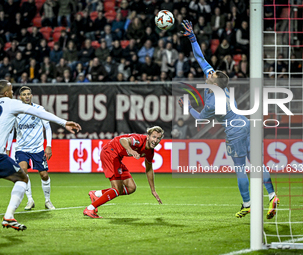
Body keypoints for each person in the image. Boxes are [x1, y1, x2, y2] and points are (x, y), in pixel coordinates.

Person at [179, 20, 280, 219]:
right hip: (246, 122)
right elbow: (201, 58)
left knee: (240, 168)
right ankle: (272, 196)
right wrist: (193, 38)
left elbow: (200, 118)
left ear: (214, 82)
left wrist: (188, 108)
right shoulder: (218, 85)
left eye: (213, 74)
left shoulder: (211, 104)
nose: (210, 72)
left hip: (234, 130)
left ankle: (247, 204)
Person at [0, 80, 81, 230]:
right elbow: (39, 112)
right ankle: (9, 216)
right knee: (22, 178)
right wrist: (63, 122)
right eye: (11, 90)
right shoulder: (11, 103)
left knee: (38, 174)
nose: (13, 93)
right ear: (7, 93)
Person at [83, 126, 164, 218]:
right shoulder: (139, 140)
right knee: (117, 188)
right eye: (154, 137)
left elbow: (149, 169)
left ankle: (97, 194)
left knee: (131, 187)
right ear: (148, 136)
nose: (155, 140)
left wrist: (153, 190)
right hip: (110, 153)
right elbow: (123, 140)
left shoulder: (150, 152)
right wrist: (130, 150)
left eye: (158, 138)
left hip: (117, 158)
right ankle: (90, 208)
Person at [6, 86, 55, 211]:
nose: (27, 96)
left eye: (28, 94)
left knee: (44, 175)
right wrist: (8, 148)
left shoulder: (39, 109)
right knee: (22, 171)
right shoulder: (16, 112)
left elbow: (47, 127)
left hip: (38, 148)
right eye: (24, 94)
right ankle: (30, 200)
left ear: (31, 95)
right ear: (20, 97)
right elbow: (11, 131)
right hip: (21, 148)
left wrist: (48, 145)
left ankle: (47, 200)